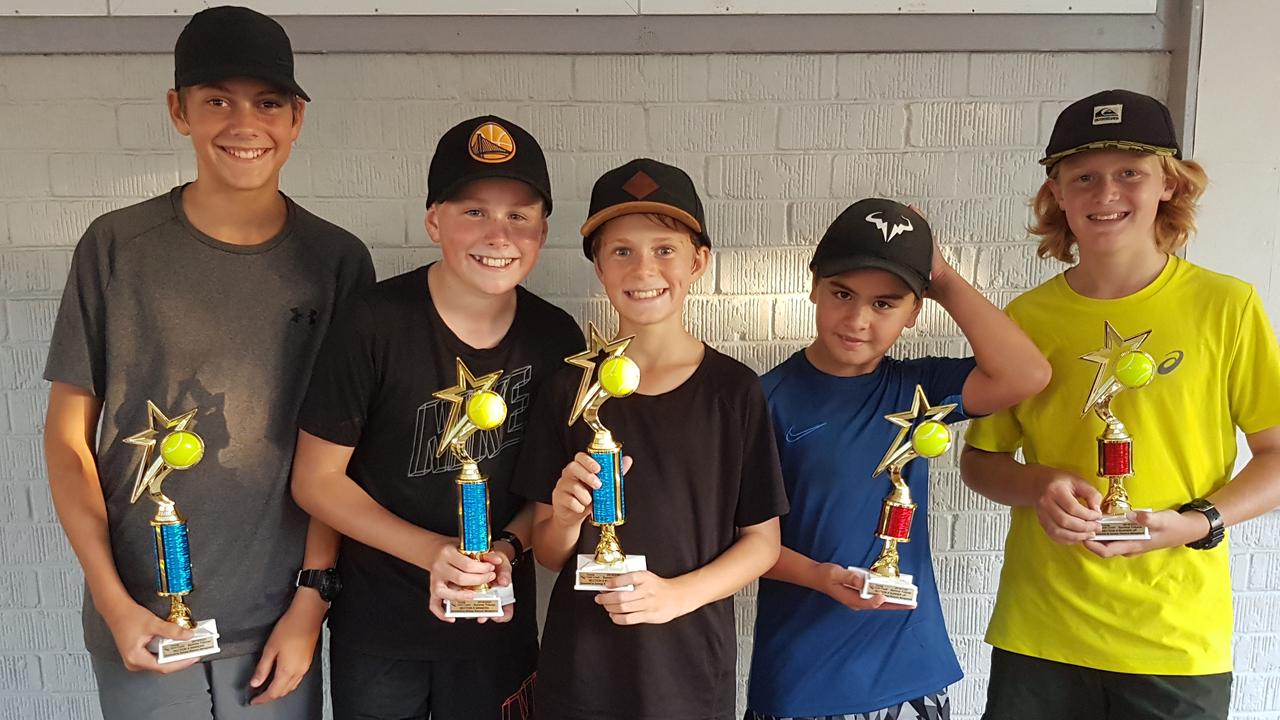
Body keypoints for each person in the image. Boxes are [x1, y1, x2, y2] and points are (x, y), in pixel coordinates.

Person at [42, 6, 374, 718]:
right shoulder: (115, 246)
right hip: (141, 618)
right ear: (178, 110)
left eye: (267, 103)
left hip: (277, 620)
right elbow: (69, 440)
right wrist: (112, 600)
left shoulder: (338, 262)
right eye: (216, 100)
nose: (243, 124)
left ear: (296, 119)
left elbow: (338, 451)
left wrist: (311, 604)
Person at [961, 89, 1280, 720]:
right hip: (1041, 633)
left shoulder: (1227, 306)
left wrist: (1198, 522)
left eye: (1129, 172)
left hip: (1174, 640)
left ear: (1168, 182)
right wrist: (1041, 484)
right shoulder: (1025, 319)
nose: (1106, 194)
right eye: (1084, 177)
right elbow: (981, 461)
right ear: (1057, 192)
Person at [290, 115, 583, 719]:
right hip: (380, 628)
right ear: (434, 220)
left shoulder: (555, 337)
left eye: (519, 215)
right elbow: (315, 480)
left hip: (497, 629)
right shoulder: (373, 321)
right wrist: (431, 552)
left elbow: (543, 496)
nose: (498, 234)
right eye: (474, 211)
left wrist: (506, 545)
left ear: (542, 230)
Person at [744, 198, 1049, 720]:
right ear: (814, 285)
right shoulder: (763, 400)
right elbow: (742, 542)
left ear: (914, 311)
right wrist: (821, 576)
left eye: (885, 303)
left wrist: (943, 277)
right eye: (842, 294)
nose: (858, 319)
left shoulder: (919, 391)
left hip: (910, 667)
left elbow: (1027, 375)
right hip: (803, 677)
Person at [515, 158, 790, 720]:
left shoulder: (734, 392)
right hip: (583, 668)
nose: (644, 268)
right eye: (622, 251)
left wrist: (675, 597)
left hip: (687, 668)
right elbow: (548, 552)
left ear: (698, 261)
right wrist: (566, 518)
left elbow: (762, 543)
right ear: (598, 267)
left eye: (664, 248)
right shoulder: (567, 387)